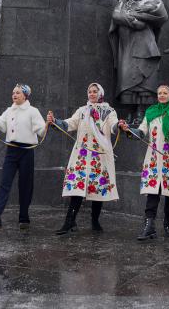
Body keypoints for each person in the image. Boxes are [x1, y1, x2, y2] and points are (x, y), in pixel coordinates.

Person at [119, 85, 169, 240]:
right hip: (154, 158)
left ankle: (167, 224)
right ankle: (149, 226)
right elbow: (141, 132)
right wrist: (128, 130)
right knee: (153, 191)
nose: (161, 95)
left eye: (165, 93)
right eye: (159, 93)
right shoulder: (150, 113)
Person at [47, 83, 119, 235]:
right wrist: (55, 121)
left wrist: (120, 126)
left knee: (98, 188)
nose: (92, 94)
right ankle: (69, 222)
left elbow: (113, 126)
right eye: (90, 92)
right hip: (81, 156)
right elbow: (69, 123)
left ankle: (95, 220)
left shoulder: (109, 111)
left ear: (100, 94)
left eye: (95, 91)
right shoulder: (82, 111)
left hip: (99, 156)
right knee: (77, 188)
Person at [0, 84, 46, 234]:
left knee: (26, 186)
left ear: (25, 95)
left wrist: (48, 124)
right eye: (13, 92)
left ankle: (24, 218)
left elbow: (40, 131)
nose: (14, 95)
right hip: (11, 151)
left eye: (18, 93)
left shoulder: (33, 111)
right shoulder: (9, 111)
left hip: (27, 151)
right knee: (4, 185)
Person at [109, 0, 169, 121]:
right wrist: (134, 21)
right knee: (126, 80)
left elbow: (162, 17)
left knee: (145, 82)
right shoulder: (123, 1)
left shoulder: (154, 1)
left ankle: (141, 113)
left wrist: (139, 18)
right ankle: (129, 113)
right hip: (128, 47)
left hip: (145, 46)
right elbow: (116, 16)